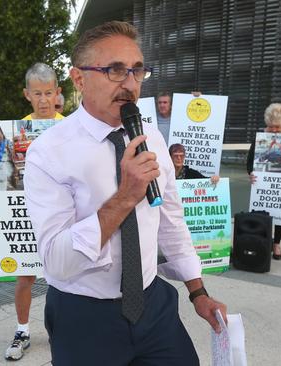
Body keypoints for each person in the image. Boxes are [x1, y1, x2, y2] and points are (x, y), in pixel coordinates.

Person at [23, 21, 227, 365]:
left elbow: (171, 223)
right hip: (83, 314)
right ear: (78, 79)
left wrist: (198, 292)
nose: (130, 84)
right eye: (115, 70)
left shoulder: (151, 137)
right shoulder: (48, 151)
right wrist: (124, 197)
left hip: (154, 305)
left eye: (137, 71)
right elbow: (57, 261)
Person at [0, 62, 64, 361]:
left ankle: (62, 333)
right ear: (26, 94)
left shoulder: (70, 127)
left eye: (48, 93)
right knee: (25, 275)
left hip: (62, 214)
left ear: (58, 93)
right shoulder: (18, 130)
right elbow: (3, 173)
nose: (43, 100)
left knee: (62, 277)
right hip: (25, 212)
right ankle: (22, 330)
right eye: (37, 94)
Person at [246, 103, 281, 260]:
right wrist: (251, 173)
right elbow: (250, 160)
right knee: (262, 213)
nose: (275, 130)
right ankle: (263, 241)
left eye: (278, 127)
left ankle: (276, 243)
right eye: (272, 127)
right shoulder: (260, 137)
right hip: (263, 183)